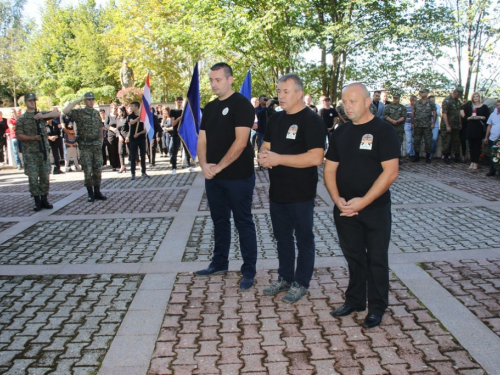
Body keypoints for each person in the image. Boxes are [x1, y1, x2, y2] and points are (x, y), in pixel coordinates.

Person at [324, 83, 399, 329]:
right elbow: (330, 169)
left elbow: (390, 172)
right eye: (345, 101)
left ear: (368, 102)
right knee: (354, 257)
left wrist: (364, 201)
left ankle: (377, 307)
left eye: (353, 101)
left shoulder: (384, 131)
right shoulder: (340, 132)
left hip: (374, 209)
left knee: (376, 259)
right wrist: (337, 200)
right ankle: (355, 301)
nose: (347, 106)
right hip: (344, 209)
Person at [258, 74, 325, 303]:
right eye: (279, 91)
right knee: (282, 238)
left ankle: (301, 282)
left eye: (286, 91)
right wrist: (263, 156)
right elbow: (265, 145)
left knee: (304, 238)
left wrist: (278, 158)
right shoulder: (276, 119)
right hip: (278, 192)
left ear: (299, 93)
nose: (281, 95)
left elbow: (316, 157)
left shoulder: (312, 120)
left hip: (301, 193)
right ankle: (285, 277)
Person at [196, 62, 258, 291]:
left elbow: (241, 142)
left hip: (238, 177)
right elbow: (202, 140)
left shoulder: (242, 105)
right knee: (219, 221)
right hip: (214, 177)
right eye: (211, 80)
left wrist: (218, 167)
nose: (213, 84)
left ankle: (249, 270)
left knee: (243, 222)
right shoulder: (210, 107)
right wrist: (204, 165)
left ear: (230, 79)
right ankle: (219, 262)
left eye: (218, 80)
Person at [15, 93, 60, 211]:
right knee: (33, 178)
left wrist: (44, 115)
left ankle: (44, 199)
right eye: (30, 101)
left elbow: (57, 113)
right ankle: (37, 201)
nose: (32, 103)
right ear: (25, 103)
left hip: (43, 151)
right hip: (30, 153)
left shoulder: (40, 115)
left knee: (45, 176)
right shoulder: (22, 119)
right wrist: (33, 138)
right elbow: (19, 135)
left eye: (34, 101)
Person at [63, 92, 107, 202]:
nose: (91, 101)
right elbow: (65, 111)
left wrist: (101, 141)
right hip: (85, 146)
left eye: (92, 99)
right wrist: (76, 101)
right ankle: (90, 193)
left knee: (97, 169)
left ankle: (97, 191)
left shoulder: (96, 113)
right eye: (88, 99)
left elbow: (100, 128)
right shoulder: (79, 113)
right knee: (87, 170)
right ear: (85, 101)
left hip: (96, 145)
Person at [464, 92, 490, 170]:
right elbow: (466, 118)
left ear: (479, 98)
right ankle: (472, 161)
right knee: (471, 146)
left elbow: (487, 118)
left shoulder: (484, 107)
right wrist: (470, 118)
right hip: (471, 127)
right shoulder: (469, 107)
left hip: (479, 128)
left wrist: (480, 117)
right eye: (474, 97)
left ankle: (476, 162)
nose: (475, 98)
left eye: (477, 96)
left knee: (477, 146)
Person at [440, 86, 463, 164]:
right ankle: (446, 156)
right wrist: (447, 125)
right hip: (448, 125)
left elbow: (458, 113)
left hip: (455, 125)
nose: (459, 97)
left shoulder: (457, 101)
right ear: (456, 93)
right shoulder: (447, 100)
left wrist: (460, 123)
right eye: (459, 95)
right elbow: (444, 113)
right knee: (447, 141)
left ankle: (457, 156)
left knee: (456, 141)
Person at [412, 89, 436, 163]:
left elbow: (434, 113)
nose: (421, 94)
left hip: (427, 125)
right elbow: (413, 113)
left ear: (427, 93)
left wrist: (433, 123)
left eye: (423, 92)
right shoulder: (417, 103)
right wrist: (412, 122)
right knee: (416, 141)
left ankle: (428, 157)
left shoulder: (431, 103)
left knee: (428, 141)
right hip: (418, 125)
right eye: (421, 92)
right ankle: (416, 156)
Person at [126, 101, 149, 180]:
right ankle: (133, 173)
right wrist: (137, 119)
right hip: (133, 139)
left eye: (132, 106)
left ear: (136, 107)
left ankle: (143, 172)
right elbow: (131, 122)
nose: (131, 108)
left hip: (141, 139)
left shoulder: (143, 117)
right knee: (133, 156)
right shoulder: (130, 116)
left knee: (143, 156)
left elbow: (146, 129)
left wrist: (138, 134)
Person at [383, 92, 406, 164]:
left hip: (399, 128)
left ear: (399, 99)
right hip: (390, 128)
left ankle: (397, 159)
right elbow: (385, 115)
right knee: (389, 144)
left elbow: (404, 116)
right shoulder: (388, 106)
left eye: (396, 98)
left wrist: (397, 121)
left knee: (398, 144)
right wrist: (392, 121)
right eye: (394, 98)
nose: (395, 99)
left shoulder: (402, 107)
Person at [169, 96, 184, 174]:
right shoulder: (173, 111)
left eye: (181, 102)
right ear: (175, 102)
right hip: (176, 133)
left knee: (185, 149)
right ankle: (174, 167)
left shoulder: (184, 111)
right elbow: (173, 123)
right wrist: (178, 119)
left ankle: (188, 164)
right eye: (178, 102)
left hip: (183, 132)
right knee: (174, 150)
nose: (179, 103)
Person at [485, 100, 500, 177]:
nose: (498, 107)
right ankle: (492, 171)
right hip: (493, 138)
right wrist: (486, 137)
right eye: (497, 105)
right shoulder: (492, 115)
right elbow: (489, 126)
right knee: (493, 155)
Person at [106, 104, 121, 171]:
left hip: (118, 134)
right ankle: (113, 165)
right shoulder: (108, 116)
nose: (115, 109)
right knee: (112, 150)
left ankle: (119, 164)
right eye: (114, 108)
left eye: (116, 108)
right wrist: (112, 129)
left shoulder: (118, 116)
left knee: (118, 149)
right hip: (111, 134)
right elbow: (106, 124)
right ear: (111, 108)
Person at [116, 106, 129, 173]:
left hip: (127, 136)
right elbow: (117, 129)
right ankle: (122, 166)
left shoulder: (127, 118)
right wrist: (119, 136)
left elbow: (130, 129)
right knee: (120, 152)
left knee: (130, 152)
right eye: (118, 111)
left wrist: (128, 137)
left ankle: (138, 162)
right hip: (121, 137)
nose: (118, 112)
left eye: (120, 111)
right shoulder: (117, 119)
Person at [428, 95, 441, 160]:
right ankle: (428, 154)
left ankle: (432, 153)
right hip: (427, 125)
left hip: (435, 126)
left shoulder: (437, 106)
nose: (433, 102)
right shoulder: (426, 106)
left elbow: (436, 113)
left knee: (434, 139)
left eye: (434, 100)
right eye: (431, 101)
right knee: (428, 140)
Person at [404, 95, 416, 160]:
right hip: (407, 124)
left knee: (413, 140)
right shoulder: (406, 107)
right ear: (411, 101)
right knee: (409, 140)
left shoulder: (416, 107)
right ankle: (408, 153)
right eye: (414, 101)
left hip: (414, 125)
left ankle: (412, 153)